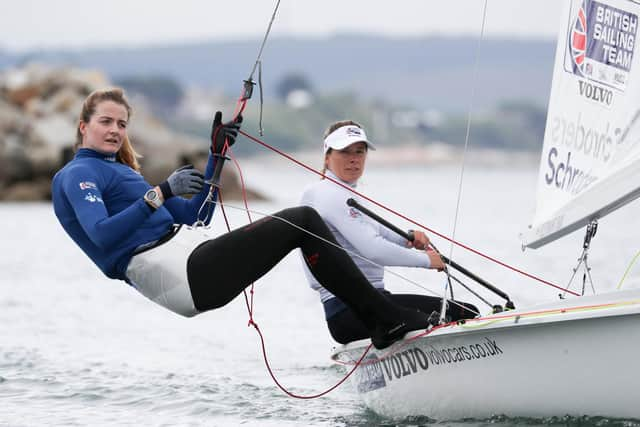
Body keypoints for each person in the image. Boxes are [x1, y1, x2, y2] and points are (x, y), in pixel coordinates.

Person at [51, 88, 433, 350]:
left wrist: (216, 155)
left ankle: (377, 318)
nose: (115, 130)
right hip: (174, 274)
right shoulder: (76, 175)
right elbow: (101, 235)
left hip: (188, 259)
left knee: (302, 224)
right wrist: (161, 192)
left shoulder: (124, 173)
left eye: (121, 124)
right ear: (84, 126)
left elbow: (197, 215)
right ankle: (382, 319)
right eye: (106, 122)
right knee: (302, 219)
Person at [300, 120, 478, 344]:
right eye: (345, 152)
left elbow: (376, 231)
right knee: (464, 315)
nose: (354, 159)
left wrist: (408, 237)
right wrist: (426, 260)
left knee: (464, 311)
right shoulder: (326, 193)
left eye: (359, 151)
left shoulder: (344, 195)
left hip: (374, 304)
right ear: (327, 156)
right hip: (349, 313)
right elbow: (373, 249)